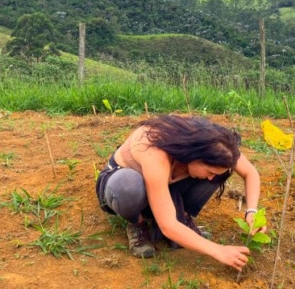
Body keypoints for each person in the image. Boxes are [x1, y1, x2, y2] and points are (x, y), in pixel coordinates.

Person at [95, 115, 265, 271]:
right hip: (122, 183)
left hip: (164, 186)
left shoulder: (217, 144)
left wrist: (252, 212)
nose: (212, 178)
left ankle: (181, 217)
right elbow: (167, 226)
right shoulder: (155, 150)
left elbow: (251, 173)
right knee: (128, 186)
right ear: (195, 155)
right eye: (210, 170)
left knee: (214, 173)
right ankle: (137, 223)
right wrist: (217, 250)